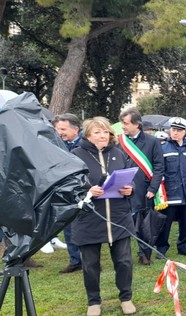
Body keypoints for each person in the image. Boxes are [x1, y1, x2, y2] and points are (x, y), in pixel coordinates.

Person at [70, 117, 136, 316]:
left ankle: (126, 298)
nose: (102, 136)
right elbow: (69, 187)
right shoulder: (76, 155)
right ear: (88, 135)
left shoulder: (118, 153)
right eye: (97, 132)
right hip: (89, 219)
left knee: (124, 261)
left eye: (106, 132)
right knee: (90, 265)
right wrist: (89, 191)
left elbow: (130, 180)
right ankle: (94, 302)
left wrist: (129, 189)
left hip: (119, 217)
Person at [118, 108, 165, 266]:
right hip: (123, 190)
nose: (123, 126)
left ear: (137, 124)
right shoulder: (120, 142)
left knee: (145, 225)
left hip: (144, 191)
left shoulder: (153, 142)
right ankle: (123, 254)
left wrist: (153, 188)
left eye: (125, 123)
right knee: (124, 223)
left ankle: (144, 253)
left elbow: (159, 167)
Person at [155, 117, 186, 257]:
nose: (175, 133)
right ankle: (161, 248)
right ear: (170, 130)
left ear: (184, 132)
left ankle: (183, 246)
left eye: (179, 130)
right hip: (170, 193)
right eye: (173, 129)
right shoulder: (162, 148)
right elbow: (159, 169)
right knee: (165, 224)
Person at [51, 113, 82, 272]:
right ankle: (75, 260)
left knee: (84, 227)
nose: (60, 133)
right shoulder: (56, 144)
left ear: (75, 129)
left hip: (83, 191)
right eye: (58, 129)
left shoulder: (86, 143)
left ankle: (88, 259)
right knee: (68, 227)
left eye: (63, 129)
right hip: (65, 192)